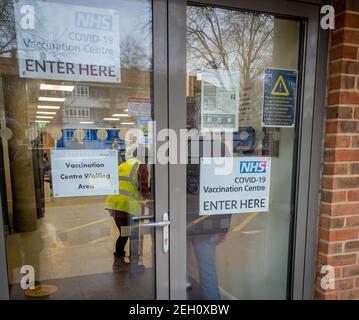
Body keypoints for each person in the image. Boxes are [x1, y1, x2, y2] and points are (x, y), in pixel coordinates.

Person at [186, 135, 231, 299]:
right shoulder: (220, 149)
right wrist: (223, 226)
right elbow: (227, 189)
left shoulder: (175, 148)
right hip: (209, 222)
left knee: (178, 272)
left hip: (178, 219)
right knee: (208, 271)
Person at [105, 147, 150, 272]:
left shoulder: (124, 165)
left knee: (124, 232)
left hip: (115, 204)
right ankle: (134, 263)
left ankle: (118, 259)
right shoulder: (141, 167)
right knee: (134, 235)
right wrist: (151, 198)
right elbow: (144, 188)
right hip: (129, 205)